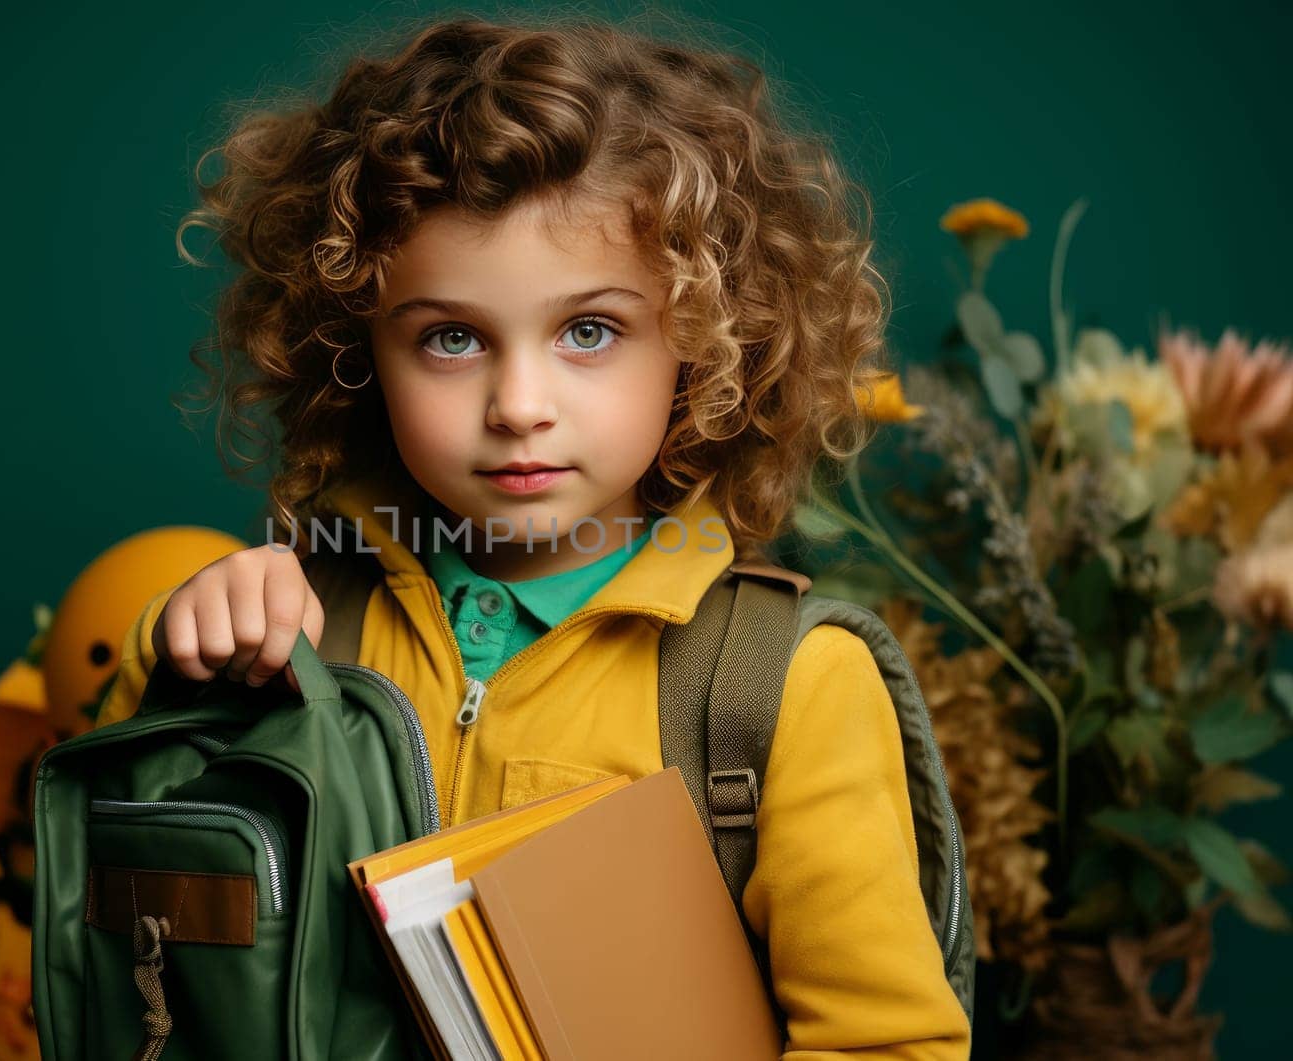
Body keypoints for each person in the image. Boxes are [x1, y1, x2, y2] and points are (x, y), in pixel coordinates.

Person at [96, 14, 971, 1057]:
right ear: (355, 348)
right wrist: (183, 669)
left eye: (589, 331)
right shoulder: (295, 626)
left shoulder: (780, 690)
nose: (519, 404)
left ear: (704, 340)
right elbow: (123, 926)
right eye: (451, 337)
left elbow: (889, 1043)